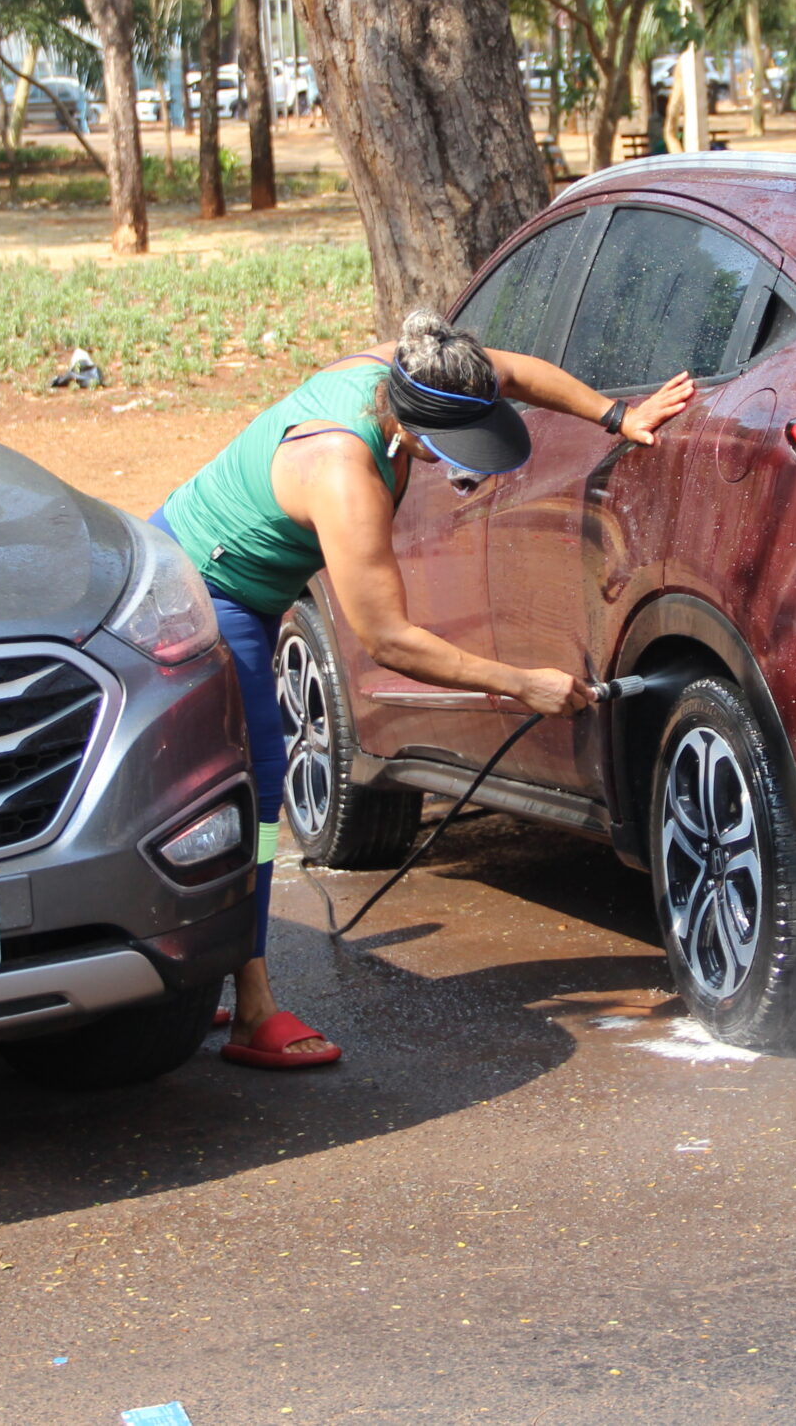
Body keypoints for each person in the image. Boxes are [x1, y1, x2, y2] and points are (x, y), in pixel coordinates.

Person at [155, 309, 697, 1068]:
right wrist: (519, 684)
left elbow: (517, 371)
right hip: (201, 590)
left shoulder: (423, 367)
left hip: (247, 578)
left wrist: (617, 416)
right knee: (255, 790)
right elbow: (388, 639)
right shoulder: (345, 475)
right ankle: (250, 1006)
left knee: (231, 791)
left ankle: (190, 969)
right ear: (409, 429)